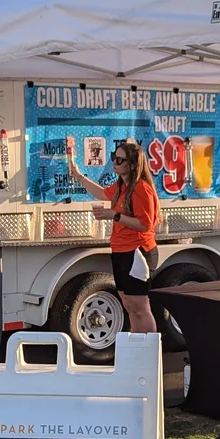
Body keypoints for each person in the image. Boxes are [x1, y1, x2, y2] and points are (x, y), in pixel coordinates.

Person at [66, 137, 160, 333]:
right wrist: (78, 176)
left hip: (138, 252)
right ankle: (136, 348)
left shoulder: (142, 188)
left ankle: (149, 350)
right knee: (128, 304)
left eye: (120, 160)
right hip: (121, 251)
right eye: (113, 158)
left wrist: (114, 215)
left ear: (133, 165)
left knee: (140, 306)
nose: (114, 163)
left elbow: (145, 224)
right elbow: (102, 194)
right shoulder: (121, 186)